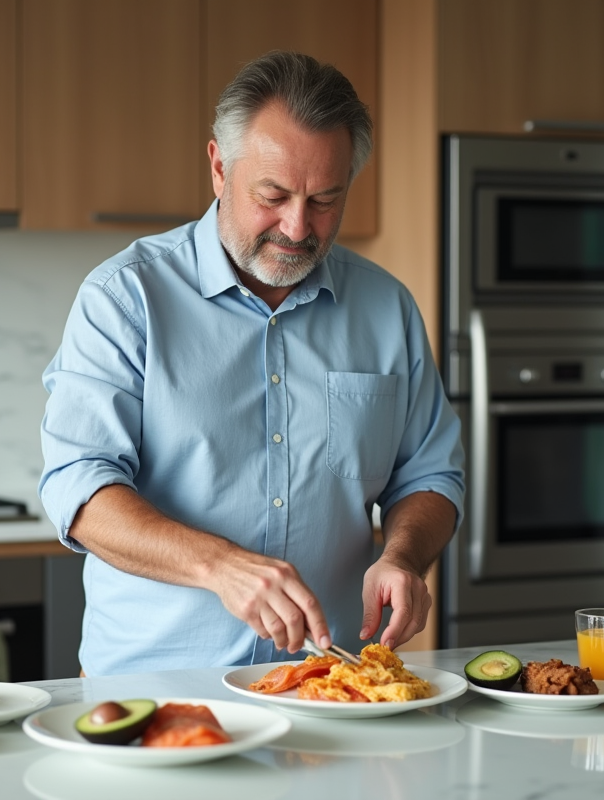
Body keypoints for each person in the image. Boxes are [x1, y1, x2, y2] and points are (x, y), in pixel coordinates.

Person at [39, 51, 465, 677]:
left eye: (325, 199)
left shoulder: (385, 307)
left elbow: (430, 475)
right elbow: (78, 488)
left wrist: (402, 555)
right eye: (274, 195)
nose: (298, 226)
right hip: (156, 687)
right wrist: (219, 566)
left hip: (327, 685)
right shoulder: (126, 298)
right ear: (218, 167)